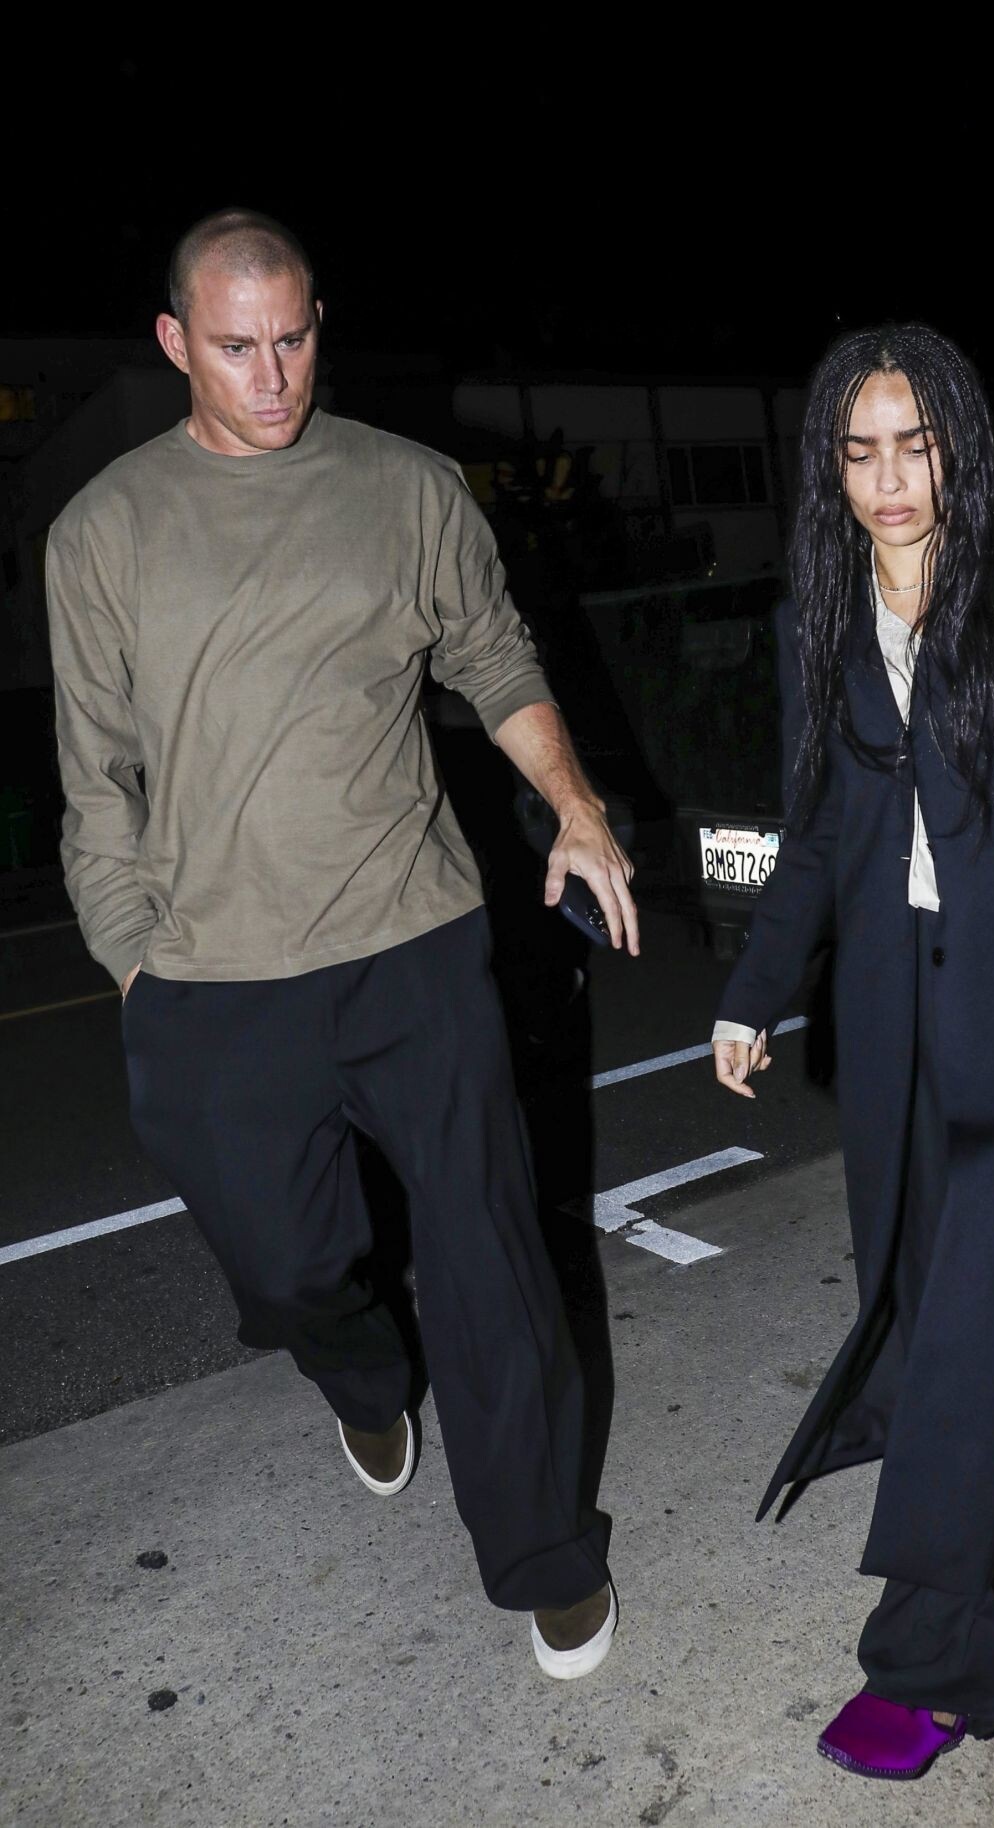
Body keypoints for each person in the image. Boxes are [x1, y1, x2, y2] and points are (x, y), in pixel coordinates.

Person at [47, 208, 639, 1681]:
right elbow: (96, 777)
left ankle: (546, 1551)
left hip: (411, 941)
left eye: (294, 339)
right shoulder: (103, 531)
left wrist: (575, 805)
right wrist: (135, 962)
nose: (272, 376)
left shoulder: (408, 486)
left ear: (320, 324)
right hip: (210, 975)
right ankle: (363, 1369)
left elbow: (492, 655)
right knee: (290, 1268)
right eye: (235, 347)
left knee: (492, 1250)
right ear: (176, 343)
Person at [712, 323, 994, 1779]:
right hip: (893, 1022)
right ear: (830, 467)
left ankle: (935, 1659)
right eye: (861, 451)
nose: (891, 478)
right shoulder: (822, 613)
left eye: (916, 444)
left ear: (959, 442)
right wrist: (754, 992)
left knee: (968, 1341)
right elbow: (818, 833)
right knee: (917, 1302)